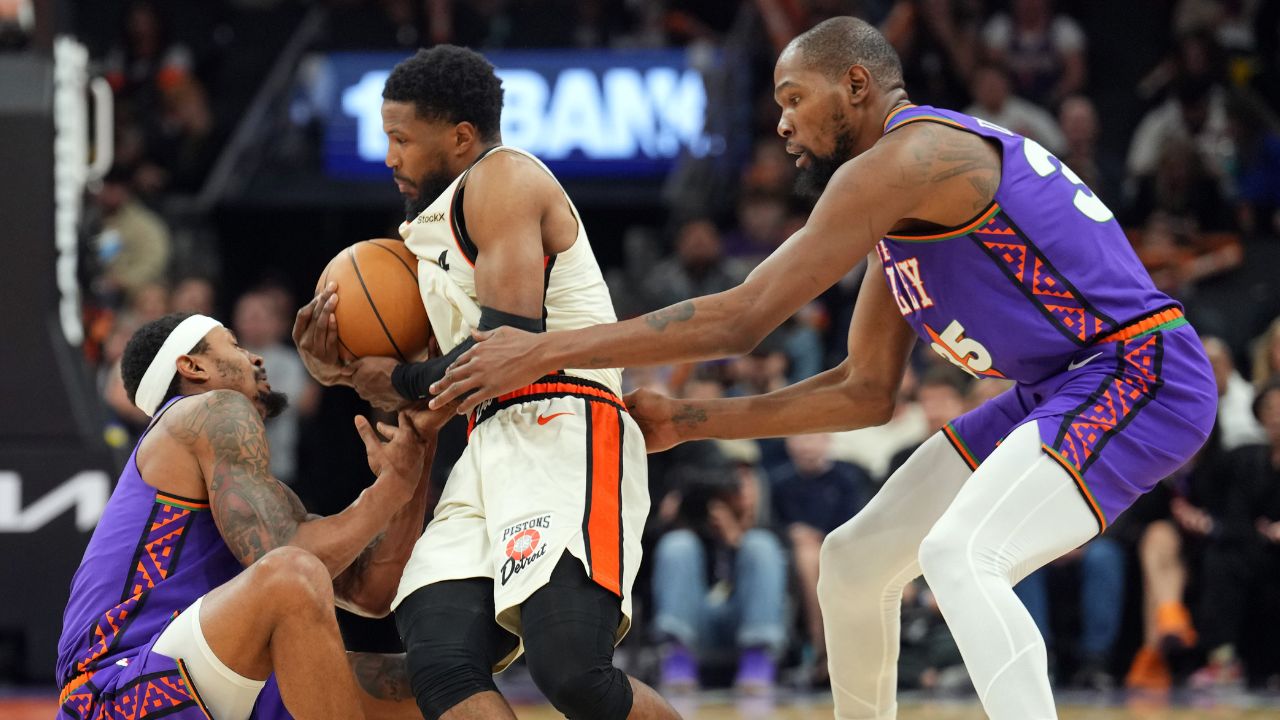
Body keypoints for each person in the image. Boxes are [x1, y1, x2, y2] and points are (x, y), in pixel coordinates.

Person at [427, 17, 1218, 719]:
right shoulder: (899, 212)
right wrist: (695, 420)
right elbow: (864, 391)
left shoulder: (913, 158)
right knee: (852, 562)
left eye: (793, 98)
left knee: (960, 555)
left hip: (1140, 369)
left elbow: (744, 317)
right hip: (1063, 385)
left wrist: (546, 346)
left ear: (856, 85)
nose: (781, 123)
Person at [292, 46, 677, 720]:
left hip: (565, 422)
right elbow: (427, 380)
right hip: (488, 440)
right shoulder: (427, 234)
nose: (390, 158)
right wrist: (340, 370)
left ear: (461, 137)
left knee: (575, 674)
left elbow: (509, 347)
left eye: (402, 139)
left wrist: (397, 378)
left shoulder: (505, 181)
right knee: (440, 656)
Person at [55, 312, 441, 720]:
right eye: (235, 345)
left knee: (434, 678)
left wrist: (408, 471)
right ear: (192, 365)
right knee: (288, 573)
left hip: (205, 678)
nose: (256, 358)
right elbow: (290, 562)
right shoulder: (207, 409)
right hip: (116, 690)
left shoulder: (256, 493)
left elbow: (370, 592)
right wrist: (384, 493)